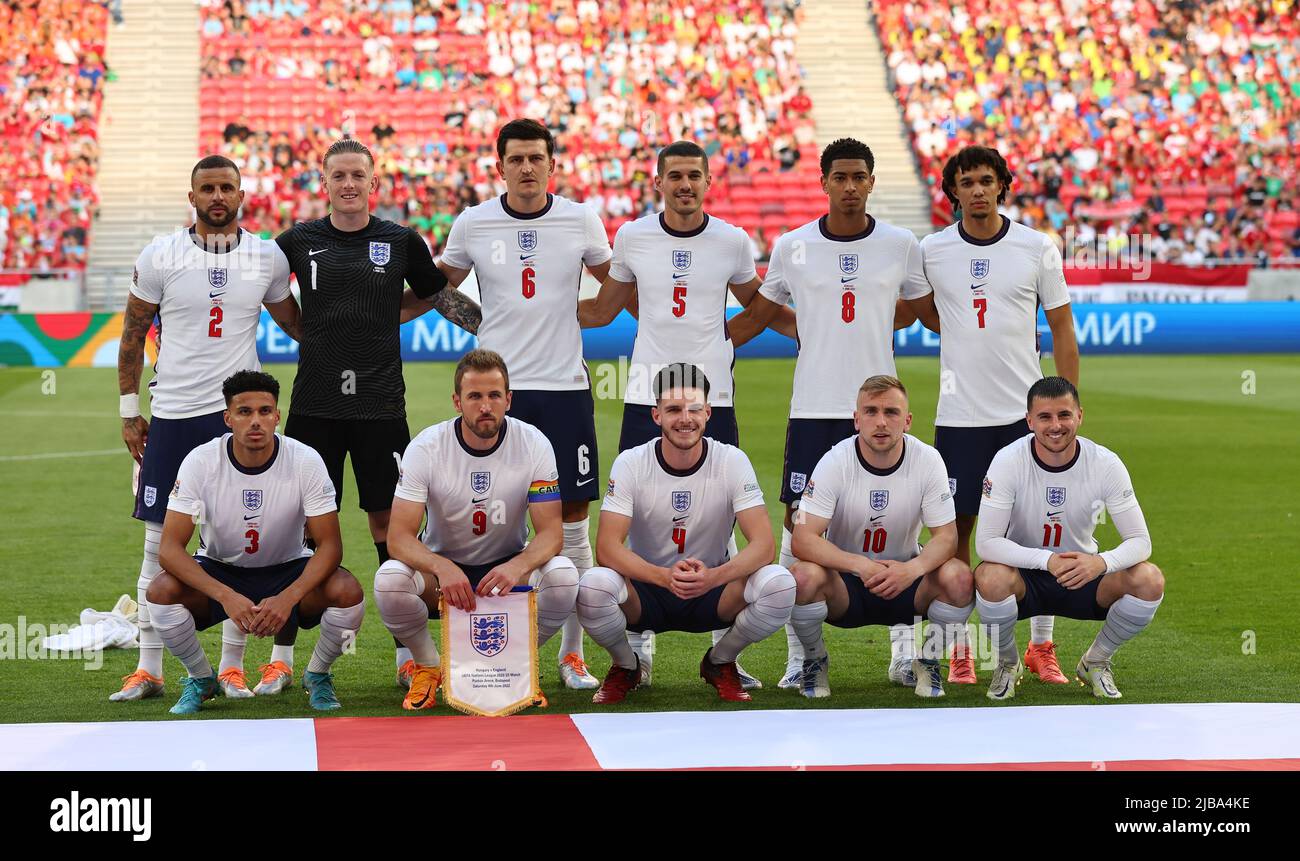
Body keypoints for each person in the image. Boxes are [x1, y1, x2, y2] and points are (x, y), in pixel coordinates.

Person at [577, 139, 795, 690]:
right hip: (648, 394)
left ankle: (722, 644)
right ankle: (636, 649)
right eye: (674, 176)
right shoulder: (631, 236)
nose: (684, 185)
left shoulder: (731, 239)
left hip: (713, 398)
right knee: (640, 509)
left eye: (694, 176)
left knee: (718, 512)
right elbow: (610, 306)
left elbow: (757, 302)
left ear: (707, 182)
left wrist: (731, 338)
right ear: (659, 182)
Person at [724, 137, 935, 689]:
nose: (848, 186)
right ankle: (803, 658)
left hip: (878, 405)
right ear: (823, 182)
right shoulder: (793, 245)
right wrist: (702, 341)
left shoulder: (899, 244)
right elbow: (765, 310)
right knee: (799, 529)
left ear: (871, 181)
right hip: (814, 408)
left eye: (858, 177)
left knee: (901, 519)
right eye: (838, 177)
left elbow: (922, 308)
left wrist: (869, 322)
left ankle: (906, 650)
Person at [410, 119, 610, 690]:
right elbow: (438, 285)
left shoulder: (580, 219)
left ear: (553, 164)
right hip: (494, 395)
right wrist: (480, 323)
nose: (526, 167)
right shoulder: (474, 221)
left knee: (571, 520)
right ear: (499, 165)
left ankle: (572, 654)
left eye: (536, 158)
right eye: (516, 159)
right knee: (502, 512)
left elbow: (615, 281)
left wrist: (595, 315)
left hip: (563, 388)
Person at [274, 138, 481, 686]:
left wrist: (499, 327)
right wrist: (306, 329)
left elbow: (439, 297)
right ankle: (284, 658)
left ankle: (406, 653)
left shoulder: (400, 240)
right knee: (300, 531)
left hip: (380, 405)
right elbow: (273, 297)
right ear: (324, 184)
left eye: (357, 175)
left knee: (391, 526)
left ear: (374, 183)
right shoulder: (297, 241)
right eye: (337, 175)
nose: (348, 184)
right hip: (314, 406)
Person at [113, 155, 302, 703]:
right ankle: (149, 669)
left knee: (239, 538)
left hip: (236, 417)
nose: (217, 196)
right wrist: (130, 411)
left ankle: (232, 667)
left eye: (226, 188)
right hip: (172, 414)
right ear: (191, 196)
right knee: (157, 541)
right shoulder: (160, 254)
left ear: (242, 194)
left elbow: (294, 325)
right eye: (207, 188)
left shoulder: (265, 257)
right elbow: (132, 336)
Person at [908, 146, 1081, 685]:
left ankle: (1041, 646)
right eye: (967, 182)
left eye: (987, 181)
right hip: (959, 417)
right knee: (954, 534)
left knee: (1039, 529)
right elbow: (924, 309)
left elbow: (1062, 328)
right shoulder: (931, 250)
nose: (978, 190)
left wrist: (1065, 405)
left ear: (1003, 185)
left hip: (1022, 417)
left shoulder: (1036, 246)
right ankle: (957, 648)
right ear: (952, 191)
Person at [576, 363, 796, 704]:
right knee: (593, 586)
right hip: (647, 590)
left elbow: (764, 545)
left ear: (708, 413)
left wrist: (713, 577)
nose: (685, 419)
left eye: (695, 409)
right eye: (674, 409)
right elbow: (606, 547)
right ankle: (626, 664)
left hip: (713, 588)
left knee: (780, 584)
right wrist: (663, 577)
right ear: (656, 415)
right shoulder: (632, 462)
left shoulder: (731, 460)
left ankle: (720, 661)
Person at [147, 371, 365, 714]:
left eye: (265, 411)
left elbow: (330, 546)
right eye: (244, 412)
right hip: (222, 569)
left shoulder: (305, 460)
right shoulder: (201, 461)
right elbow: (170, 549)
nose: (256, 421)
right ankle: (201, 678)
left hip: (288, 568)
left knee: (347, 590)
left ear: (277, 416)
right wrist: (225, 595)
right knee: (160, 592)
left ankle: (317, 674)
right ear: (228, 418)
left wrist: (288, 598)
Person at [374, 350, 579, 709]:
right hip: (442, 572)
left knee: (563, 576)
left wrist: (518, 566)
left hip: (506, 568)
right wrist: (441, 567)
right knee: (389, 582)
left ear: (508, 399)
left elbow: (551, 534)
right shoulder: (426, 447)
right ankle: (429, 665)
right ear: (457, 401)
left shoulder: (534, 443)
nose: (485, 406)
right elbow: (398, 537)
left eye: (494, 396)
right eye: (475, 397)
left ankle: (517, 666)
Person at [975, 377, 1163, 700]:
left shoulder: (1105, 463)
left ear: (1080, 416)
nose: (1056, 426)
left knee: (1149, 579)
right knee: (989, 577)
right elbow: (987, 542)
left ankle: (1096, 661)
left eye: (1064, 415)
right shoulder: (1007, 460)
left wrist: (1100, 563)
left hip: (1083, 574)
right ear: (1029, 420)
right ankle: (1008, 663)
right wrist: (1046, 560)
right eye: (1045, 417)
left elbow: (1140, 541)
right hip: (1025, 577)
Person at [789, 376, 973, 698]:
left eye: (891, 412)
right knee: (802, 577)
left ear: (908, 420)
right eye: (871, 412)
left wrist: (910, 571)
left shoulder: (928, 460)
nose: (881, 422)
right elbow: (802, 538)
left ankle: (926, 659)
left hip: (906, 583)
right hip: (846, 587)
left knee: (959, 577)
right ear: (856, 419)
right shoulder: (834, 460)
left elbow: (947, 537)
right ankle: (815, 659)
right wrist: (859, 565)